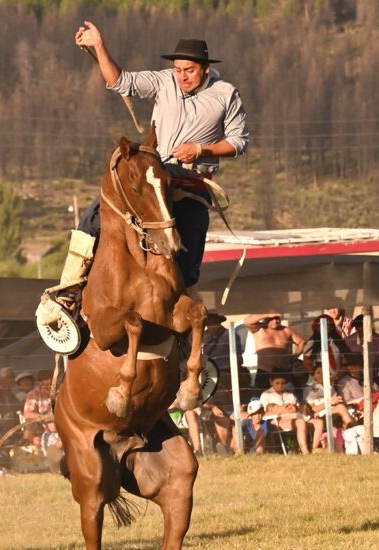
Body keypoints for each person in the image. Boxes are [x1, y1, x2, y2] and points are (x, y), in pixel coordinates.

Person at [36, 23, 249, 330]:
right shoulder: (164, 81)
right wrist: (98, 45)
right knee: (94, 215)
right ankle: (69, 290)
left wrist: (201, 150)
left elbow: (238, 143)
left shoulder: (226, 94)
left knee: (194, 226)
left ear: (204, 68)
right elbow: (120, 81)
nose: (182, 76)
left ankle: (185, 298)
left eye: (188, 70)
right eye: (177, 69)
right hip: (153, 176)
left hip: (189, 181)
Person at [246, 312, 307, 389]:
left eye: (277, 318)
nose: (275, 321)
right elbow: (247, 321)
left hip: (284, 372)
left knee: (289, 396)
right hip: (265, 372)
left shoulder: (286, 330)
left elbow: (302, 342)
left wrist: (295, 356)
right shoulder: (259, 329)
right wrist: (267, 314)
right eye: (272, 318)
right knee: (262, 397)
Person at [258, 372, 314, 453]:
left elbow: (297, 408)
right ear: (271, 382)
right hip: (276, 421)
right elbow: (266, 413)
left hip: (295, 417)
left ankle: (315, 447)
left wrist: (294, 408)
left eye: (283, 383)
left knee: (317, 422)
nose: (280, 386)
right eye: (277, 383)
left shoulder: (290, 394)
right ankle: (305, 450)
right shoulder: (266, 395)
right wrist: (283, 409)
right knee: (301, 422)